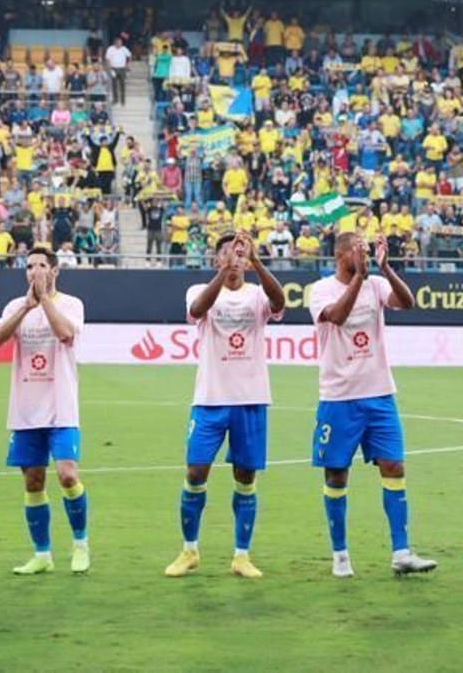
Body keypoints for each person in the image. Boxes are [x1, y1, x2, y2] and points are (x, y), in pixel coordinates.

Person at [307, 232, 436, 578]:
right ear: (341, 255)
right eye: (358, 250)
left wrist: (386, 269)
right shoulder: (321, 290)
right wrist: (360, 277)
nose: (363, 254)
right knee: (336, 473)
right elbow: (337, 316)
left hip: (379, 393)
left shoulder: (375, 284)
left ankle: (401, 552)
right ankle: (340, 555)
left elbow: (406, 302)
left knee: (394, 466)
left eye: (366, 250)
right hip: (339, 396)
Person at [165, 231, 284, 580]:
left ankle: (241, 556)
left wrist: (257, 260)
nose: (234, 259)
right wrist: (224, 271)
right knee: (195, 472)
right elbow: (196, 310)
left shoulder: (257, 294)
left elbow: (279, 303)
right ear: (215, 259)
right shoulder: (199, 290)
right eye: (228, 254)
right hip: (210, 399)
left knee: (245, 477)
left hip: (250, 398)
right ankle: (189, 550)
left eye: (240, 254)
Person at [0, 246, 89, 575]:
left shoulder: (71, 304)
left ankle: (80, 545)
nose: (35, 271)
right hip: (26, 409)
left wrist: (44, 299)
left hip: (61, 408)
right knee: (33, 482)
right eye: (30, 266)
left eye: (42, 265)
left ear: (54, 271)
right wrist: (25, 307)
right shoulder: (15, 306)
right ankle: (42, 554)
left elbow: (65, 333)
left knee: (67, 474)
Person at [104, 36, 132, 106]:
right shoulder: (110, 49)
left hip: (122, 69)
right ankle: (115, 100)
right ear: (115, 43)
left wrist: (128, 63)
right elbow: (107, 58)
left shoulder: (124, 49)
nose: (120, 44)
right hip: (114, 68)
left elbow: (129, 55)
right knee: (114, 85)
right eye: (119, 42)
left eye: (121, 42)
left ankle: (123, 101)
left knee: (122, 85)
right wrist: (109, 67)